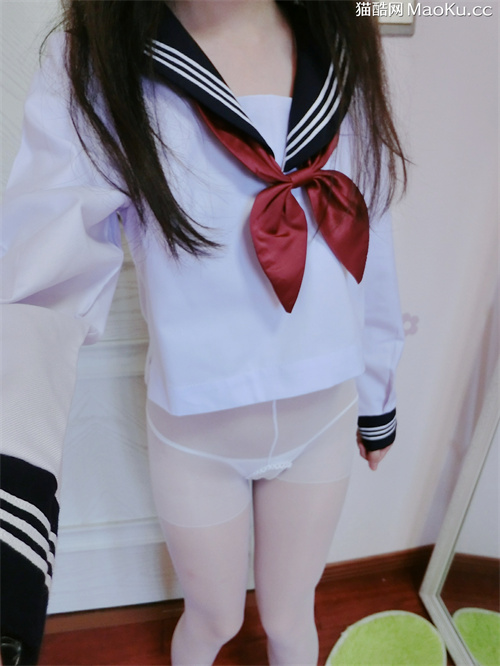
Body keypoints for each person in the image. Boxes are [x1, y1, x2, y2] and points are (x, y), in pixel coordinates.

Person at [0, 1, 407, 664]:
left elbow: (372, 234)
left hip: (323, 416)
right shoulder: (97, 59)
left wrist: (378, 398)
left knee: (291, 618)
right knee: (212, 619)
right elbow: (36, 288)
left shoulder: (341, 40)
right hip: (198, 437)